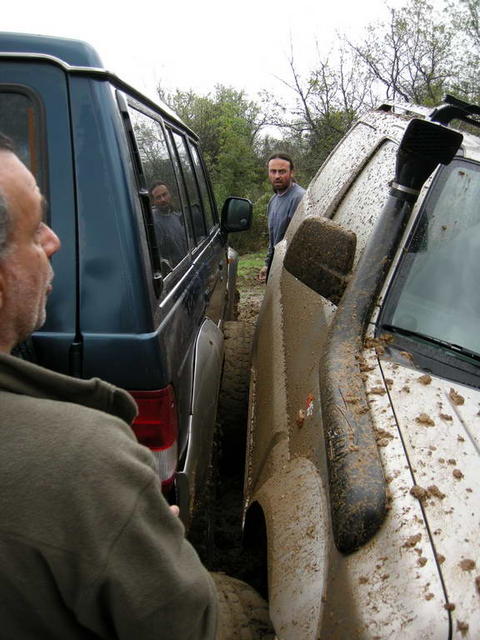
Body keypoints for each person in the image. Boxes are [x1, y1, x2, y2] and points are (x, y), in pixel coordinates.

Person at [0, 135, 217, 638]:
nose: (54, 241)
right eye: (35, 232)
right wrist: (127, 521)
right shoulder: (83, 461)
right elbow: (191, 624)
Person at [258, 153, 305, 282]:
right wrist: (268, 264)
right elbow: (273, 238)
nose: (277, 176)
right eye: (273, 171)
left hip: (293, 272)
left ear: (292, 173)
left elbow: (302, 242)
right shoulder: (273, 201)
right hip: (276, 268)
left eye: (282, 171)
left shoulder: (300, 198)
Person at [149, 180, 188, 272]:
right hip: (172, 276)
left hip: (186, 268)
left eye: (164, 194)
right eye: (158, 197)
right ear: (153, 201)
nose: (162, 199)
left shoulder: (177, 217)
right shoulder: (152, 223)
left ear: (169, 195)